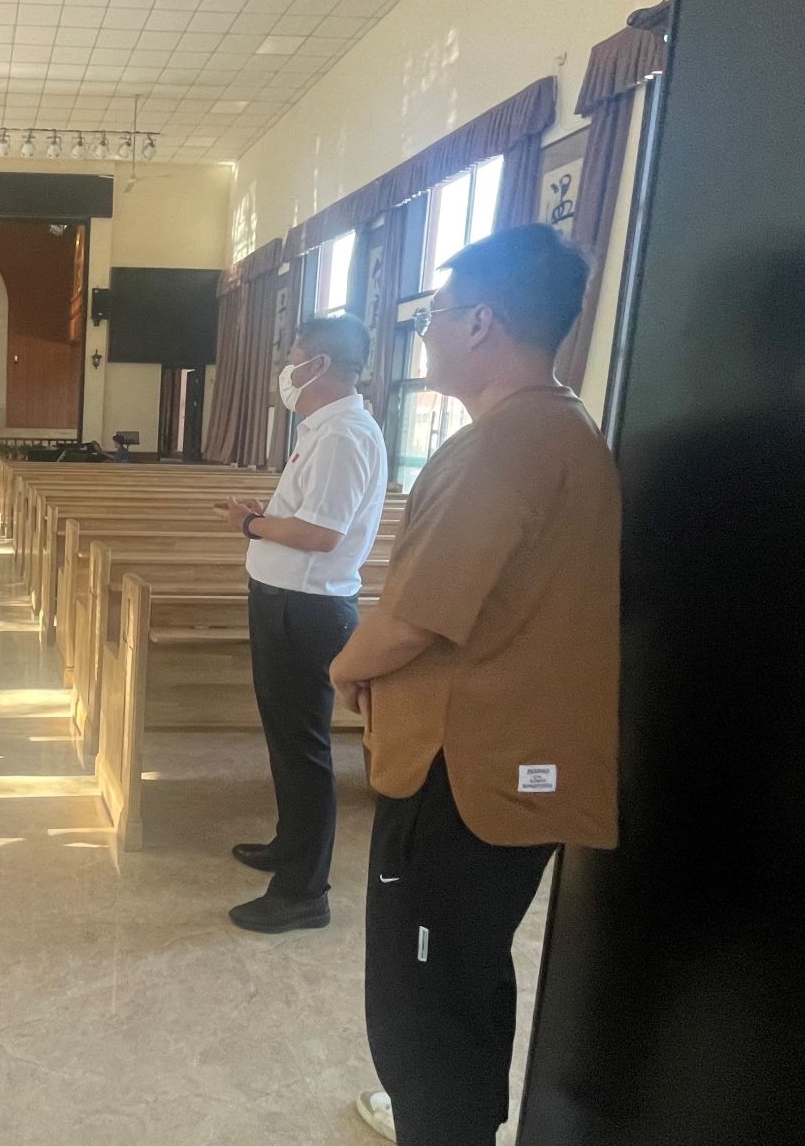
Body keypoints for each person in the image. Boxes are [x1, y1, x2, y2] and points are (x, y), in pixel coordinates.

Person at [330, 223, 618, 1146]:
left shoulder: (502, 444)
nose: (427, 336)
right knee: (465, 972)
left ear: (482, 322)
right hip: (509, 760)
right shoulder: (564, 427)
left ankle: (439, 1124)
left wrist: (343, 665)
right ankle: (453, 1122)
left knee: (423, 1001)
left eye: (436, 317)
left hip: (464, 774)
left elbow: (413, 618)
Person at [214, 314, 388, 933]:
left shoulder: (343, 434)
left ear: (319, 365)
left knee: (304, 748)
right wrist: (267, 515)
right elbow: (309, 516)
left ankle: (304, 892)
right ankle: (290, 845)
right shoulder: (322, 429)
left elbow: (321, 534)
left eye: (292, 358)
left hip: (307, 607)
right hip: (286, 598)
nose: (285, 371)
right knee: (286, 740)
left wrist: (249, 524)